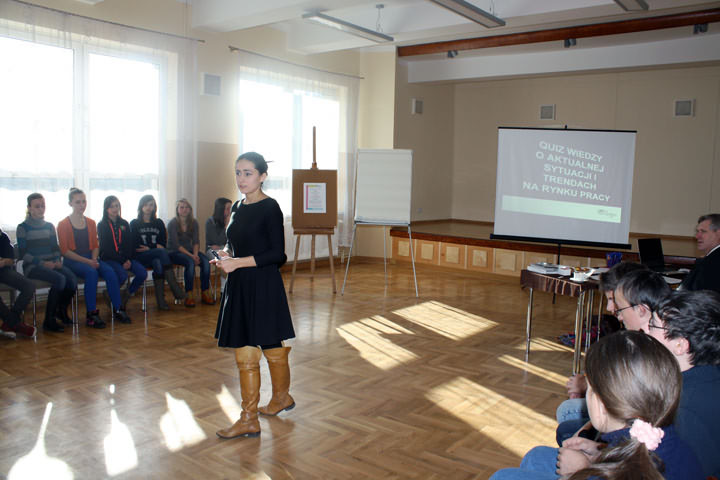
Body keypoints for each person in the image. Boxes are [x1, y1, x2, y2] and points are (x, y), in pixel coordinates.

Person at [490, 331, 702, 480]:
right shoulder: (666, 439)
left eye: (589, 389)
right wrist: (600, 454)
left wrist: (581, 472)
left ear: (601, 405)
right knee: (536, 456)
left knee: (503, 476)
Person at [213, 152, 296, 439]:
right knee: (249, 346)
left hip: (262, 283)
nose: (241, 178)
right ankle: (261, 409)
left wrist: (237, 263)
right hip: (240, 283)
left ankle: (268, 405)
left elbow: (277, 254)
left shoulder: (270, 207)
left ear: (262, 176)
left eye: (248, 173)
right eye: (238, 172)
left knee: (267, 340)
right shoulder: (237, 206)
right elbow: (235, 242)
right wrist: (226, 254)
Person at [555, 266, 670, 445]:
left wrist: (588, 386)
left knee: (566, 417)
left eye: (613, 301)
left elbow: (627, 406)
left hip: (631, 428)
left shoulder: (650, 346)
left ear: (640, 308)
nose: (610, 308)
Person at [649, 290, 720, 478]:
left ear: (680, 345)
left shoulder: (686, 410)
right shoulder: (708, 377)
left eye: (653, 326)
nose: (646, 332)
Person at [57, 187, 129, 328]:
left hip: (91, 258)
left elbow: (96, 245)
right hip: (73, 261)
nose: (82, 205)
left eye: (84, 201)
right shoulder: (63, 224)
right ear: (70, 204)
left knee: (110, 272)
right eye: (78, 202)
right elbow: (65, 251)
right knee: (91, 273)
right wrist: (88, 262)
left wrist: (94, 259)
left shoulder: (91, 222)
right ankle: (91, 314)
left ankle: (118, 308)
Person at [16, 193, 76, 333]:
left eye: (43, 206)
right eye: (37, 206)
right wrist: (42, 263)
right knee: (60, 279)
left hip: (52, 263)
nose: (41, 209)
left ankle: (61, 310)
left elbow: (55, 248)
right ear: (29, 208)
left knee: (72, 280)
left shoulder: (49, 226)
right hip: (33, 267)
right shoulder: (22, 227)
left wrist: (57, 260)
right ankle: (49, 320)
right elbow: (24, 254)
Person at [129, 195, 185, 310]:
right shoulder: (134, 223)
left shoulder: (159, 223)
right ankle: (174, 287)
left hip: (156, 256)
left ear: (155, 207)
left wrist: (149, 247)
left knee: (158, 262)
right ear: (141, 206)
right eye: (146, 205)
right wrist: (154, 247)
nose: (148, 208)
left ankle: (161, 301)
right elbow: (136, 245)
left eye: (151, 205)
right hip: (140, 257)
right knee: (160, 252)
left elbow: (163, 243)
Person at [97, 195, 147, 319]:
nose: (115, 209)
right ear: (106, 209)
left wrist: (127, 259)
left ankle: (125, 295)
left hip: (126, 258)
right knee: (122, 276)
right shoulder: (102, 225)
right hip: (110, 259)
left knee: (142, 273)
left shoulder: (124, 223)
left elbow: (129, 244)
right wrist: (122, 260)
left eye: (117, 206)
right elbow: (105, 248)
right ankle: (116, 300)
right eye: (112, 206)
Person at [167, 198, 214, 307]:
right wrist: (192, 256)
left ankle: (205, 292)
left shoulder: (194, 222)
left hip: (190, 251)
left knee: (206, 262)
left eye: (187, 207)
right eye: (181, 207)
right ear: (177, 210)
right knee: (190, 262)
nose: (184, 209)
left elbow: (196, 241)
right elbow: (176, 245)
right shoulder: (172, 223)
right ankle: (189, 294)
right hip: (174, 252)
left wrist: (196, 255)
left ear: (190, 209)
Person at [0, 226, 36, 338]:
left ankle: (10, 322)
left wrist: (4, 262)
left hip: (3, 270)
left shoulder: (3, 237)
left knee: (29, 286)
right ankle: (16, 325)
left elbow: (11, 260)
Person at [680, 213, 720, 293]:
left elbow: (702, 297)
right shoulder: (711, 258)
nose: (697, 236)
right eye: (697, 231)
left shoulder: (713, 262)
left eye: (703, 231)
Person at [206, 197, 232, 293]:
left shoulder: (231, 220)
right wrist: (226, 226)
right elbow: (215, 241)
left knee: (234, 260)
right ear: (221, 209)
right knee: (223, 261)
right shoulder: (210, 221)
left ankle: (229, 290)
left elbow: (230, 241)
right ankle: (223, 291)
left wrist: (222, 244)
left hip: (226, 249)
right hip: (211, 250)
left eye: (230, 208)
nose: (230, 211)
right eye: (227, 208)